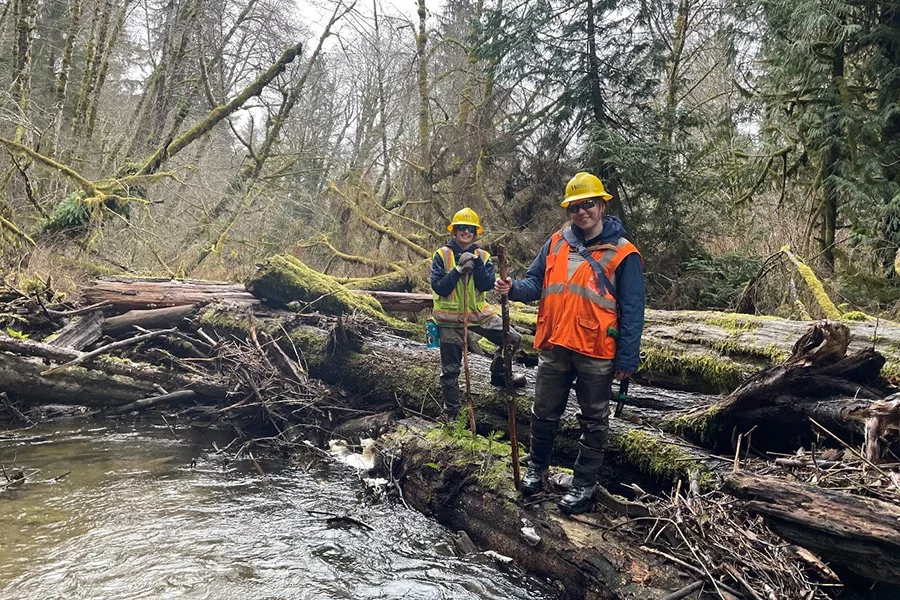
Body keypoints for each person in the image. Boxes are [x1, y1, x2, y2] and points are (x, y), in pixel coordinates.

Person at [494, 172, 645, 515]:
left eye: (588, 204)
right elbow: (535, 282)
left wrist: (627, 361)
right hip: (555, 342)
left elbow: (634, 310)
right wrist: (511, 289)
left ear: (602, 205)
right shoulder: (557, 241)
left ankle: (583, 484)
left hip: (597, 350)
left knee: (594, 419)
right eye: (575, 207)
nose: (581, 212)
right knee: (544, 412)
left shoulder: (625, 253)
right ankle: (537, 469)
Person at [431, 207, 526, 419]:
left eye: (471, 229)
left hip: (478, 314)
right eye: (462, 228)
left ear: (475, 233)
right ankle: (452, 414)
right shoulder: (441, 255)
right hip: (450, 319)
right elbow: (439, 287)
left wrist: (478, 266)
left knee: (512, 338)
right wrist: (457, 270)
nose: (466, 232)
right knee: (450, 371)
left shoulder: (482, 255)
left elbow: (485, 285)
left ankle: (499, 374)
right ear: (454, 231)